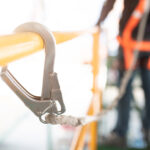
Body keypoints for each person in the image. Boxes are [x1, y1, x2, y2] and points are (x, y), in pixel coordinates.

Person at [96, 0, 150, 147]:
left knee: (126, 92)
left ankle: (122, 132)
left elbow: (109, 2)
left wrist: (99, 22)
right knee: (137, 90)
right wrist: (100, 20)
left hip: (131, 43)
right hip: (132, 44)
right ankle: (141, 131)